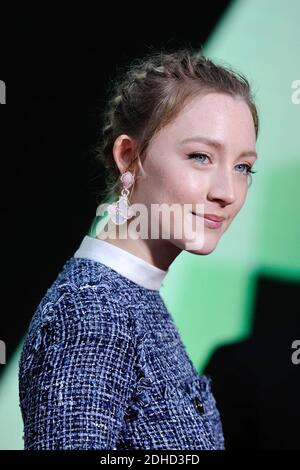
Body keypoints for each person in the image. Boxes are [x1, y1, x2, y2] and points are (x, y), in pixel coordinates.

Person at [18, 46, 259, 450]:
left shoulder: (132, 298)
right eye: (200, 156)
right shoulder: (92, 312)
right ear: (129, 158)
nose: (227, 192)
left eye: (243, 167)